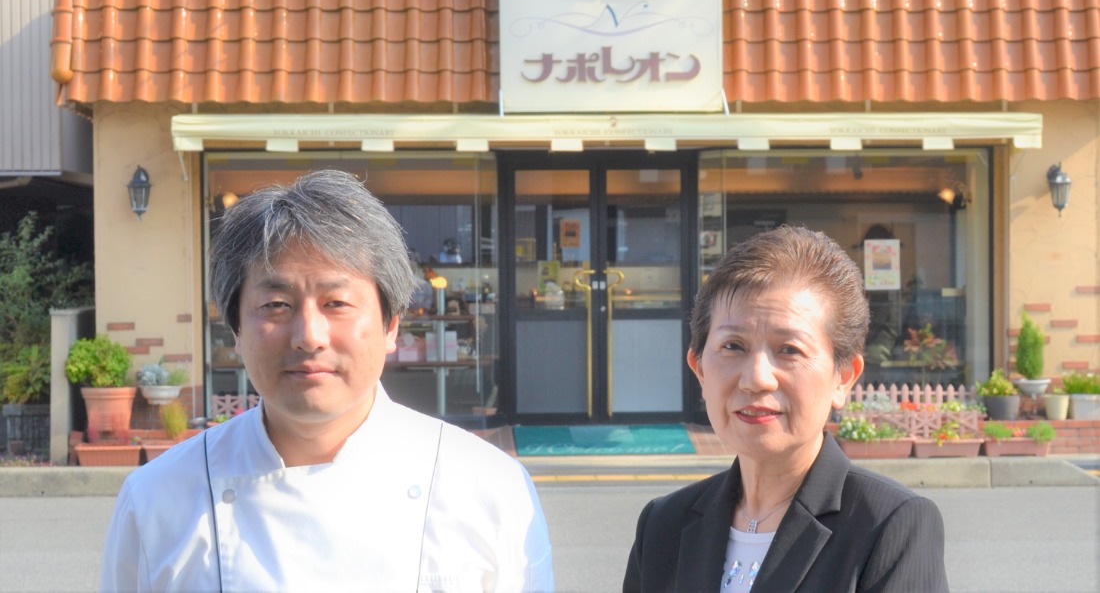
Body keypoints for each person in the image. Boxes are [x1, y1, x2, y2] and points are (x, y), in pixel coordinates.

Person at [101, 170, 553, 592]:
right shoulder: (157, 499)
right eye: (276, 305)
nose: (309, 336)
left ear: (391, 326)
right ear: (235, 329)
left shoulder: (489, 488)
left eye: (337, 303)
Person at [623, 225, 948, 592]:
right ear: (699, 368)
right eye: (733, 346)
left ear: (843, 377)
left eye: (789, 350)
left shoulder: (889, 525)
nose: (756, 379)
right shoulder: (663, 525)